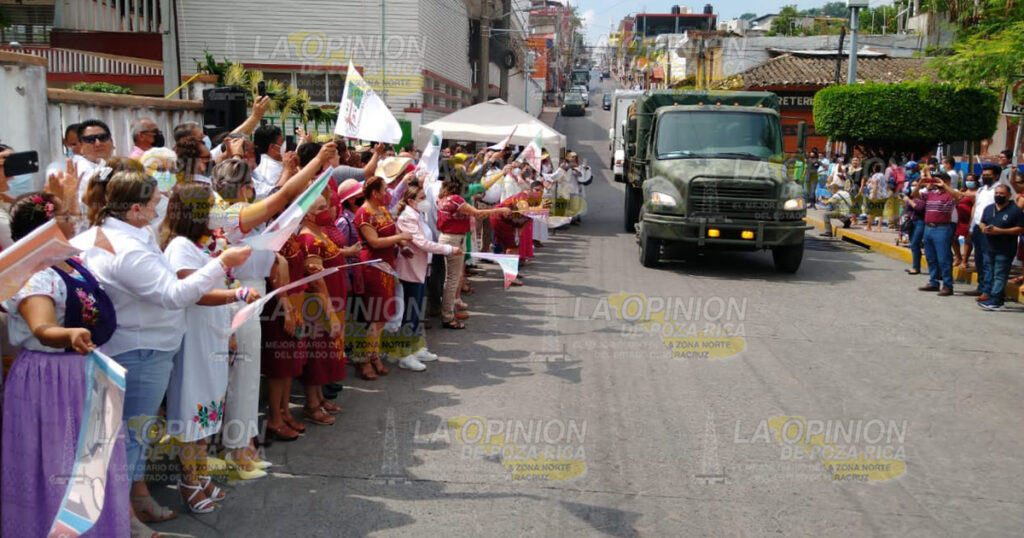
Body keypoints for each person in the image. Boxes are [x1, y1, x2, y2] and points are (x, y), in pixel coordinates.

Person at [81, 169, 252, 534]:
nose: (161, 203)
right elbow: (173, 295)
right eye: (155, 198)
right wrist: (223, 264)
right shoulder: (126, 248)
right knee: (129, 440)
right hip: (141, 349)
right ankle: (119, 519)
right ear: (137, 208)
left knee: (134, 438)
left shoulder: (131, 234)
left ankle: (132, 505)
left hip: (150, 347)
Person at [1, 191, 131, 538]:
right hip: (51, 380)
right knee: (58, 464)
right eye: (65, 215)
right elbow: (42, 328)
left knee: (91, 466)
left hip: (82, 373)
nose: (74, 221)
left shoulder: (69, 262)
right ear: (45, 228)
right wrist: (68, 333)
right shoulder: (34, 275)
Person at [161, 182, 265, 512]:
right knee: (192, 409)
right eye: (210, 205)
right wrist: (236, 295)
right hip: (194, 338)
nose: (216, 210)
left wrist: (229, 331)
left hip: (214, 334)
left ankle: (202, 473)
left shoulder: (201, 244)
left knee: (209, 409)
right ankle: (189, 480)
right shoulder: (179, 246)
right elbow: (195, 292)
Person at [295, 195, 356, 423]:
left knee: (328, 353)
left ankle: (320, 398)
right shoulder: (308, 240)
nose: (327, 211)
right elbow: (317, 281)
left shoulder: (321, 233)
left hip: (334, 302)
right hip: (319, 308)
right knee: (317, 356)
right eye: (320, 208)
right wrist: (330, 314)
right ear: (308, 215)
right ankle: (311, 405)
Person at [394, 184, 460, 368]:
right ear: (410, 200)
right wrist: (449, 249)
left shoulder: (418, 214)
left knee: (417, 312)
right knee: (410, 313)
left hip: (422, 268)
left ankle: (415, 348)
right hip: (411, 270)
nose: (425, 201)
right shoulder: (407, 217)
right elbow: (422, 243)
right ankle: (404, 355)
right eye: (421, 198)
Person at [354, 176, 413, 379]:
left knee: (383, 315)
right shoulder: (364, 214)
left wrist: (402, 246)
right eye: (384, 190)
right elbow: (375, 242)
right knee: (377, 317)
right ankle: (365, 359)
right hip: (373, 266)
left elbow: (392, 230)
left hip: (387, 265)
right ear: (374, 193)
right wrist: (400, 238)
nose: (387, 193)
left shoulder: (383, 210)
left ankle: (373, 355)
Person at [437, 176, 510, 328]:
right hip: (454, 239)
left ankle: (450, 310)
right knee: (452, 280)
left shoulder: (443, 198)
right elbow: (477, 213)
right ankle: (448, 316)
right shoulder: (455, 199)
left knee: (452, 278)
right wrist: (500, 210)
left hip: (450, 237)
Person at [913, 171, 961, 296]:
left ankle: (947, 285)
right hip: (928, 228)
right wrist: (920, 184)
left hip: (943, 228)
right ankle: (933, 282)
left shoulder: (950, 193)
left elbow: (959, 197)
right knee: (931, 257)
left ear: (947, 181)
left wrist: (944, 186)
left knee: (943, 258)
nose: (937, 183)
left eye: (939, 180)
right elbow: (914, 195)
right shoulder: (930, 193)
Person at [978, 184, 1024, 311]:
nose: (998, 195)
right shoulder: (989, 208)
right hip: (988, 247)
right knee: (990, 272)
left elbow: (1020, 229)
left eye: (1001, 193)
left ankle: (996, 300)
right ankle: (994, 295)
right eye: (996, 193)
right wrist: (983, 228)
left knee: (1000, 274)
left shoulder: (1015, 211)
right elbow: (982, 221)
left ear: (1009, 195)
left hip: (1004, 249)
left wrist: (1000, 231)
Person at [965, 165, 1002, 301]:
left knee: (988, 261)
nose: (985, 177)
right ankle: (981, 287)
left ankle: (988, 290)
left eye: (988, 175)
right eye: (984, 174)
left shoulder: (999, 190)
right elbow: (976, 207)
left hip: (989, 229)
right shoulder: (981, 189)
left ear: (996, 176)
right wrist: (971, 226)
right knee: (979, 259)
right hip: (977, 227)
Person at [75, 120, 115, 202]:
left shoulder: (122, 165)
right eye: (90, 139)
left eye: (102, 137)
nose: (98, 143)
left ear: (111, 141)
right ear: (80, 146)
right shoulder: (78, 170)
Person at [252, 125, 285, 198]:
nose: (285, 145)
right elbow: (273, 195)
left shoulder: (277, 162)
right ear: (272, 147)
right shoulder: (267, 168)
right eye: (282, 143)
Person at [901, 180, 926, 274]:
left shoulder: (923, 196)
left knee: (915, 243)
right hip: (912, 222)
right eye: (912, 185)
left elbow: (919, 208)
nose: (914, 187)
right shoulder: (911, 195)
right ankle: (915, 266)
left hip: (921, 222)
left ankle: (916, 267)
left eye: (916, 185)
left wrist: (909, 201)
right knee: (913, 244)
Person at [954, 174, 977, 268]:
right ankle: (958, 257)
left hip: (969, 219)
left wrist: (971, 222)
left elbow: (974, 206)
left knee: (968, 240)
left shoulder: (976, 193)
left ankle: (965, 260)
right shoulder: (963, 190)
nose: (969, 182)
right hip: (959, 218)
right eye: (967, 180)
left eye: (971, 180)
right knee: (953, 238)